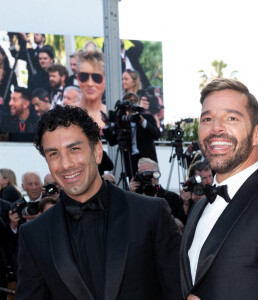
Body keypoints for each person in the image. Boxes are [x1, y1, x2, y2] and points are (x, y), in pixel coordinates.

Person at [16, 105, 182, 300]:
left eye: (74, 149)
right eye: (53, 154)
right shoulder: (34, 235)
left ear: (97, 151)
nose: (66, 164)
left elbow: (177, 292)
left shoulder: (150, 214)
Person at [180, 78, 258, 300]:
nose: (216, 128)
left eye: (231, 118)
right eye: (207, 118)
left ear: (257, 134)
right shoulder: (199, 207)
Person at [103, 92, 161, 178]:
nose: (132, 103)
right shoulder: (122, 120)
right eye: (129, 101)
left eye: (134, 101)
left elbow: (157, 134)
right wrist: (107, 125)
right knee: (133, 187)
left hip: (147, 159)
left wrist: (142, 121)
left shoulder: (147, 117)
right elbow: (112, 141)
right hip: (130, 160)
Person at [130, 157, 186, 224]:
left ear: (156, 174)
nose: (142, 176)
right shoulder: (135, 197)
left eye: (146, 172)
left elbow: (173, 224)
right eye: (139, 173)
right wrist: (131, 194)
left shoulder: (171, 197)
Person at [76, 48, 106, 129]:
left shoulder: (111, 115)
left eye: (96, 78)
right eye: (84, 77)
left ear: (105, 81)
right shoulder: (67, 114)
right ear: (78, 79)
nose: (90, 83)